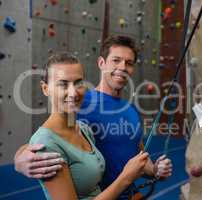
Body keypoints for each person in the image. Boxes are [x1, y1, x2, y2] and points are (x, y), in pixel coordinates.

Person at [14, 35, 172, 199]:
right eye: (116, 60)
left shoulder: (131, 110)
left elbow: (138, 155)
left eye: (129, 63)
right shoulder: (79, 101)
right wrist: (19, 159)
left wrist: (154, 170)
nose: (122, 67)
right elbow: (49, 138)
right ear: (101, 63)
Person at [26, 52, 149, 200]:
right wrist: (125, 178)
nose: (73, 92)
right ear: (45, 88)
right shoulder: (46, 144)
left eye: (78, 83)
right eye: (63, 84)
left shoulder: (83, 129)